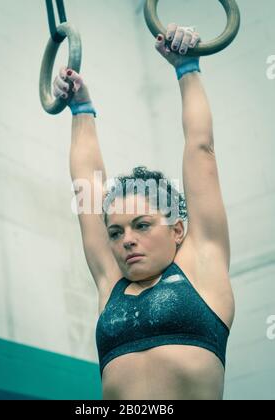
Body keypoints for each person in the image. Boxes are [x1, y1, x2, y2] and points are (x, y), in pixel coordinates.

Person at [53, 24, 235, 400]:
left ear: (178, 230)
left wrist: (187, 68)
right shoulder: (111, 281)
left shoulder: (203, 264)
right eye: (116, 232)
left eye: (142, 225)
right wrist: (80, 108)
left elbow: (201, 149)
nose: (126, 240)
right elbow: (85, 184)